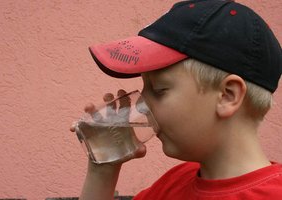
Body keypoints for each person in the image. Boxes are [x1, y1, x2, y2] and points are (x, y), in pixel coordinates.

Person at [71, 0, 282, 199]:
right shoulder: (172, 185)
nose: (142, 106)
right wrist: (103, 169)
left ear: (228, 95)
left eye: (159, 89)